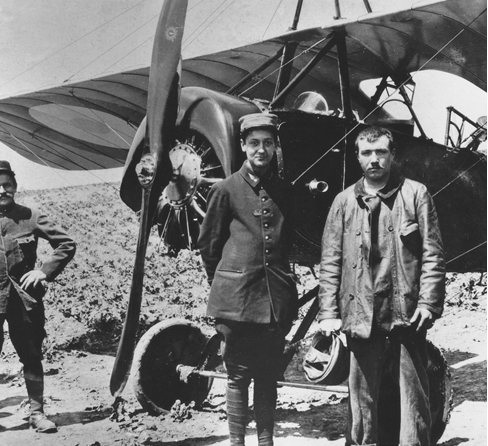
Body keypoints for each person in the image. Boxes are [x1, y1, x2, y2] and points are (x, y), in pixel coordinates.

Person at [317, 126, 445, 446]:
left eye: (381, 152)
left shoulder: (416, 194)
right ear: (358, 158)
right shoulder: (343, 202)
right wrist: (329, 312)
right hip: (360, 311)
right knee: (361, 401)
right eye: (367, 153)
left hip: (406, 311)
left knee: (414, 397)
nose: (374, 159)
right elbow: (330, 261)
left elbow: (433, 254)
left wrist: (428, 303)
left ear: (392, 155)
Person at [198, 113, 298, 446]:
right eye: (254, 143)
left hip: (274, 303)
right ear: (243, 146)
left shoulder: (284, 191)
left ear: (275, 146)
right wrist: (228, 285)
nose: (261, 150)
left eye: (268, 143)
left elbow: (286, 244)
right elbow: (209, 246)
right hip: (236, 304)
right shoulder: (225, 189)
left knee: (268, 377)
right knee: (238, 376)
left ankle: (266, 442)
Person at [0, 161, 76, 433]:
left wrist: (43, 272)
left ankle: (37, 413)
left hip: (24, 299)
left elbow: (66, 243)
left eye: (7, 185)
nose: (2, 190)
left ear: (15, 186)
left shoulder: (30, 216)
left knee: (31, 355)